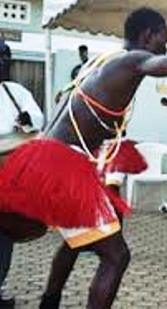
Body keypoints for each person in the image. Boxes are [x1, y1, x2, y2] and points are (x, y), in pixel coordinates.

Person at [0, 7, 167, 309]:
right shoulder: (132, 59)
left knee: (75, 240)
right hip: (64, 164)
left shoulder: (99, 61)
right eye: (163, 39)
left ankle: (49, 302)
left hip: (44, 155)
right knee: (117, 256)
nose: (165, 46)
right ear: (148, 35)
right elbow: (164, 63)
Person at [0, 39, 44, 308]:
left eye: (6, 56)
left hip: (11, 173)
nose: (3, 61)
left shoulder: (16, 91)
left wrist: (29, 121)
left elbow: (37, 122)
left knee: (5, 232)